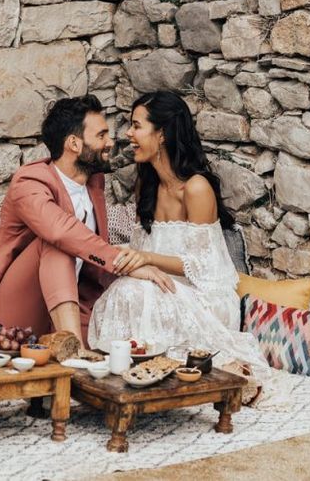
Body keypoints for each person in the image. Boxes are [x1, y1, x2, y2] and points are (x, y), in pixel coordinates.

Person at [88, 90, 294, 406]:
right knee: (124, 291)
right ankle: (134, 375)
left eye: (137, 125)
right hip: (163, 285)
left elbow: (201, 265)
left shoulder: (197, 188)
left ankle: (220, 370)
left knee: (138, 292)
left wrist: (145, 259)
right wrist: (136, 263)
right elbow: (144, 248)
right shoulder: (148, 185)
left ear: (163, 134)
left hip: (206, 292)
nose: (128, 134)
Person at [0, 95, 173, 345]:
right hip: (14, 313)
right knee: (55, 244)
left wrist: (137, 269)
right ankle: (74, 355)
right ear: (74, 144)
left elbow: (91, 256)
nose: (110, 143)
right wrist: (123, 262)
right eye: (101, 135)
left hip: (70, 310)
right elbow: (60, 232)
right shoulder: (29, 181)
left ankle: (76, 347)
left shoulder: (94, 183)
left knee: (127, 345)